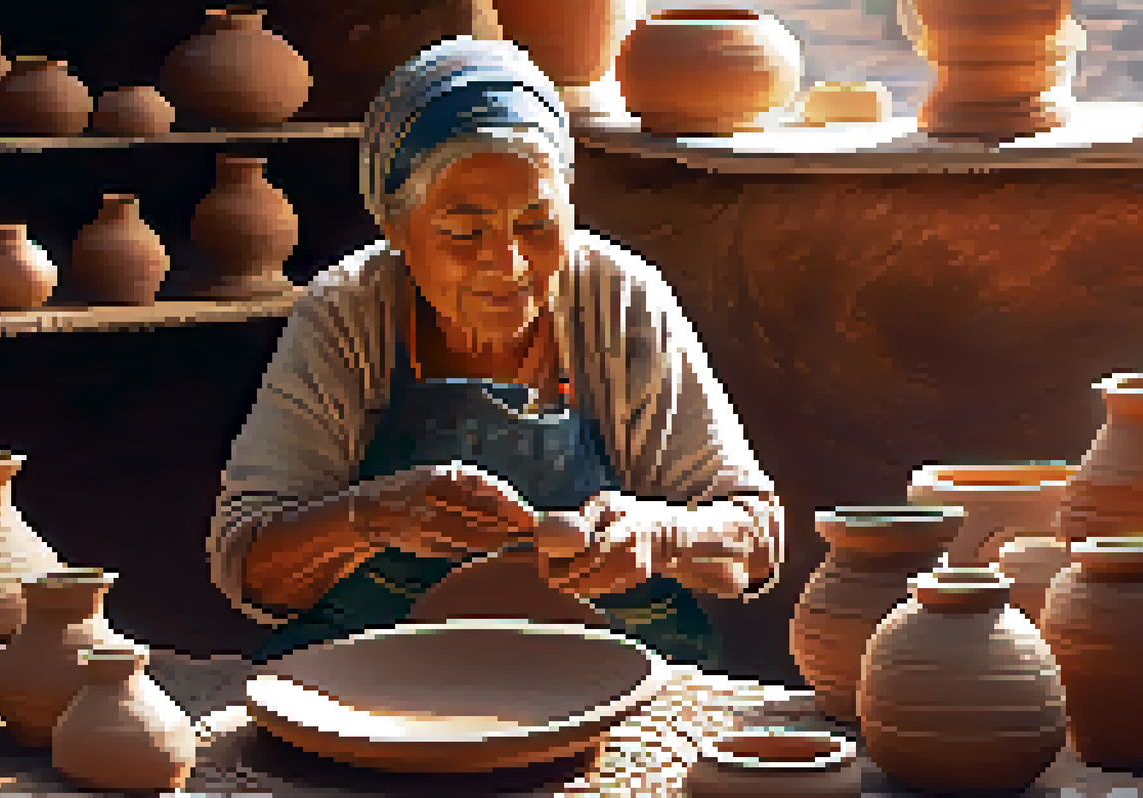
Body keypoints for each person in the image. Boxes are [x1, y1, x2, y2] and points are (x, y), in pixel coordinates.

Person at [206, 37, 785, 669]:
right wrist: (368, 518)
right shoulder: (351, 308)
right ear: (395, 228)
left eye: (537, 223)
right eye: (463, 232)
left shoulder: (619, 297)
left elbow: (754, 538)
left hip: (607, 657)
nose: (507, 264)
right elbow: (250, 563)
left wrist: (660, 537)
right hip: (384, 659)